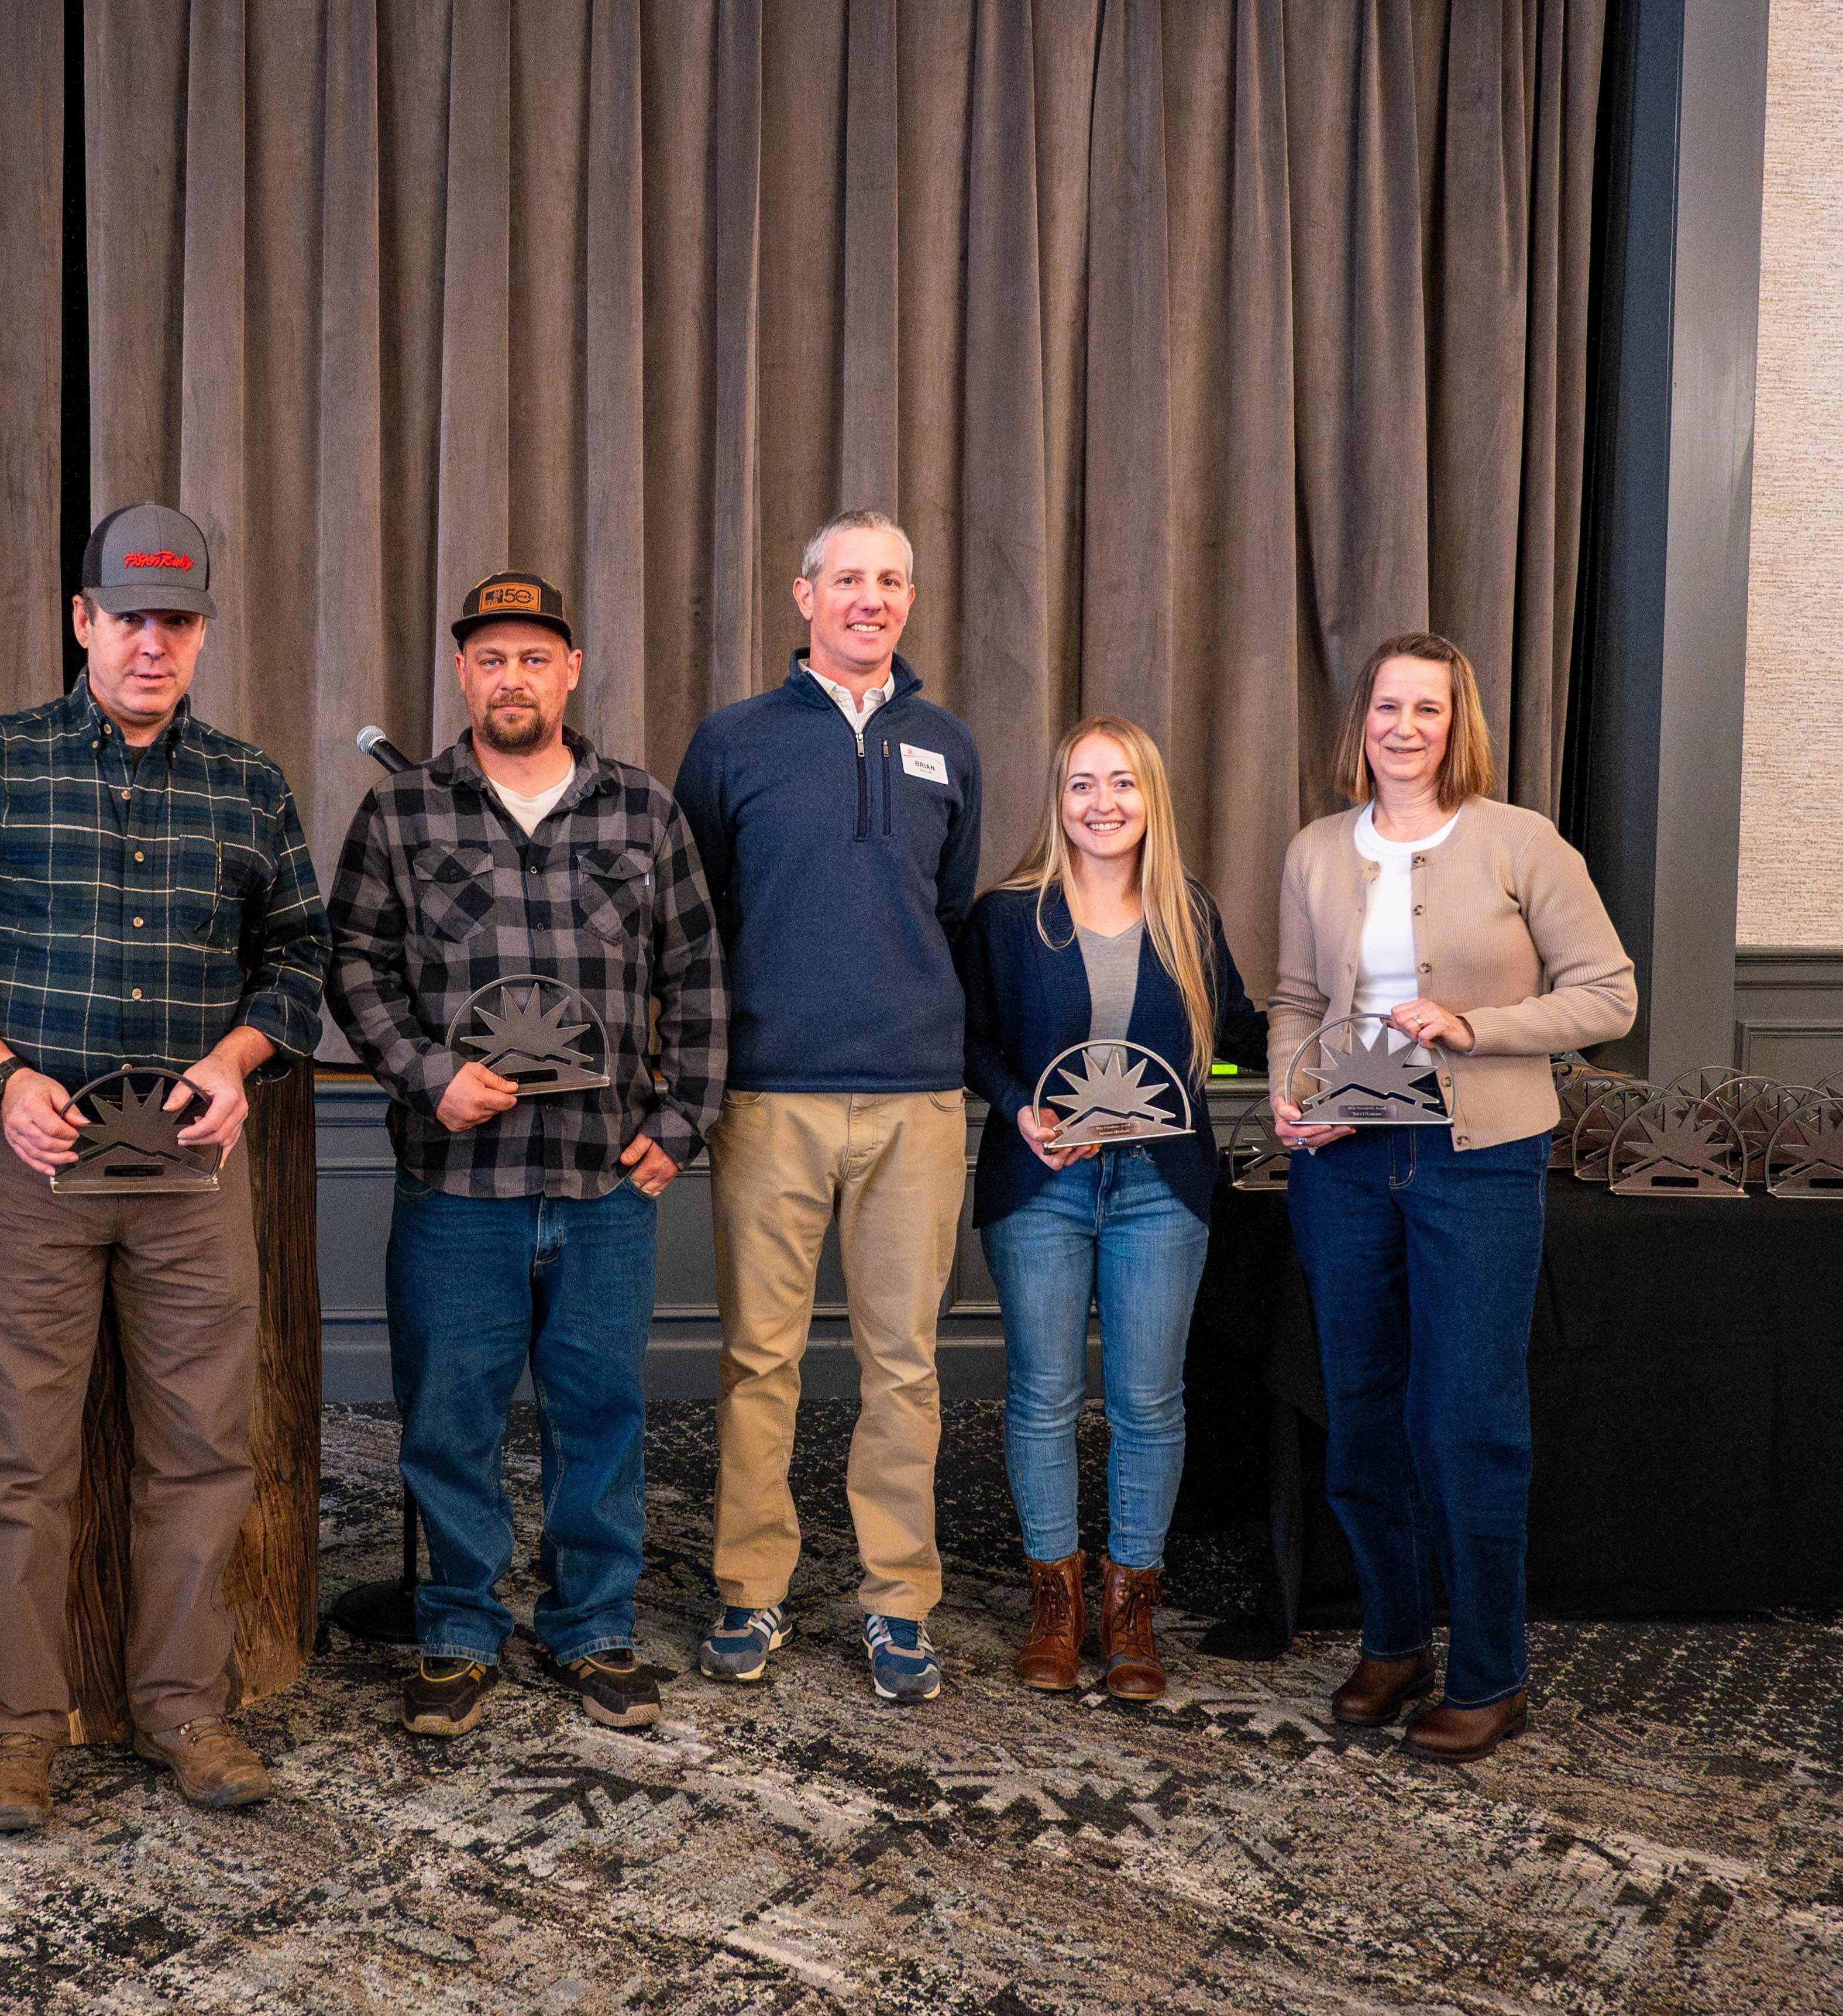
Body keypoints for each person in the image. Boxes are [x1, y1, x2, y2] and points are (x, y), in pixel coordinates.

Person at [0, 502, 326, 1831]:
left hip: (191, 1166)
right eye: (128, 616)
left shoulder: (249, 782)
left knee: (199, 1450)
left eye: (176, 620)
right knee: (17, 1453)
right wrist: (2, 1078)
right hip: (34, 1160)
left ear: (201, 631)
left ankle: (183, 1704)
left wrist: (237, 1060)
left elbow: (296, 958)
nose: (151, 642)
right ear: (82, 620)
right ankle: (17, 1729)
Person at [328, 571, 725, 1740]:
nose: (511, 677)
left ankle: (592, 1626)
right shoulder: (403, 812)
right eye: (489, 657)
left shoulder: (643, 812)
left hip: (606, 1180)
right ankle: (455, 1627)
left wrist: (682, 1120)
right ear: (463, 673)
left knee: (598, 1413)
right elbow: (353, 965)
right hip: (457, 1186)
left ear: (570, 670)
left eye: (532, 657)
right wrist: (423, 1070)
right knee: (448, 1417)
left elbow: (697, 974)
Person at [1269, 633, 1634, 1761]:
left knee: (1467, 1420)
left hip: (1479, 1164)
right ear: (1363, 722)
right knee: (1363, 1411)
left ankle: (1490, 1671)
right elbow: (1291, 997)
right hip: (1347, 1167)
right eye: (1388, 706)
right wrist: (1296, 1091)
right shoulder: (1318, 851)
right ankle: (1393, 1642)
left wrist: (1476, 1028)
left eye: (1428, 708)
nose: (1405, 728)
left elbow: (1609, 994)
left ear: (1456, 722)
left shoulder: (1522, 842)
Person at [672, 510, 981, 1705]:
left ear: (908, 600)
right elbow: (694, 917)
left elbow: (946, 912)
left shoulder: (945, 744)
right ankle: (750, 1589)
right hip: (771, 1093)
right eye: (848, 578)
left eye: (891, 580)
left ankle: (898, 1604)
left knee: (903, 1364)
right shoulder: (734, 743)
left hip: (916, 1100)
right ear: (802, 596)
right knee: (761, 1358)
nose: (871, 598)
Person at [961, 717, 1264, 1702]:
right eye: (1083, 784)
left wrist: (1340, 1040)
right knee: (1044, 1396)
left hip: (1160, 1186)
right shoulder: (1011, 916)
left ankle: (1131, 1606)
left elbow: (1243, 1029)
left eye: (1123, 784)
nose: (1103, 803)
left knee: (1149, 1401)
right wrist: (1020, 1109)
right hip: (1040, 1181)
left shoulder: (1189, 912)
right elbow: (972, 1039)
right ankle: (1055, 1603)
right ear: (1058, 800)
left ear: (1152, 800)